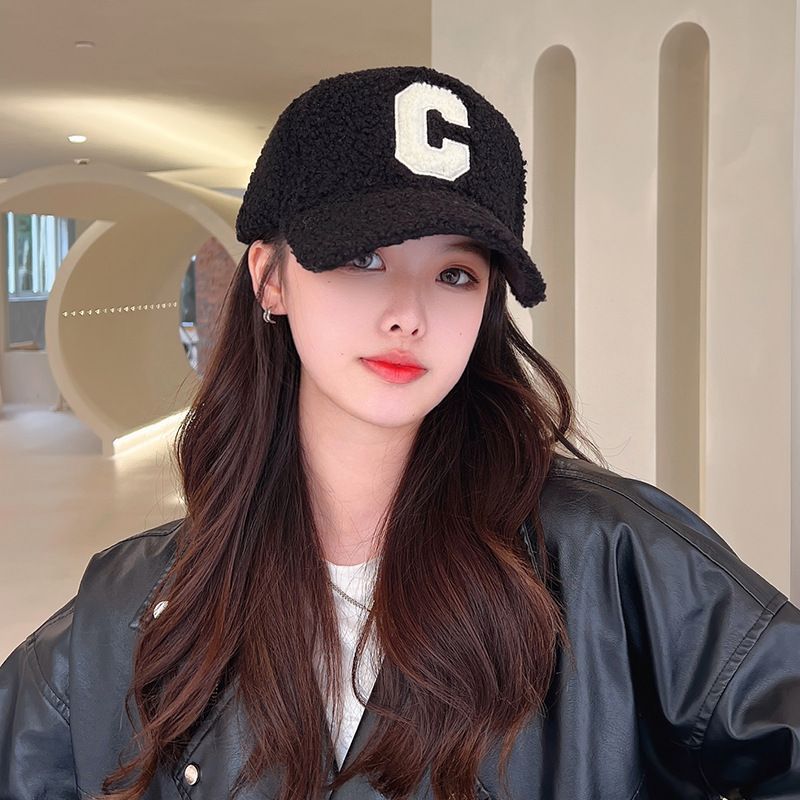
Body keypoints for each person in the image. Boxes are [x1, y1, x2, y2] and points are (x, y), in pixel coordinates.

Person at [1, 64, 798, 800]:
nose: (408, 315)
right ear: (270, 278)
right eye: (364, 258)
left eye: (455, 274)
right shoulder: (135, 605)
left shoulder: (617, 561)